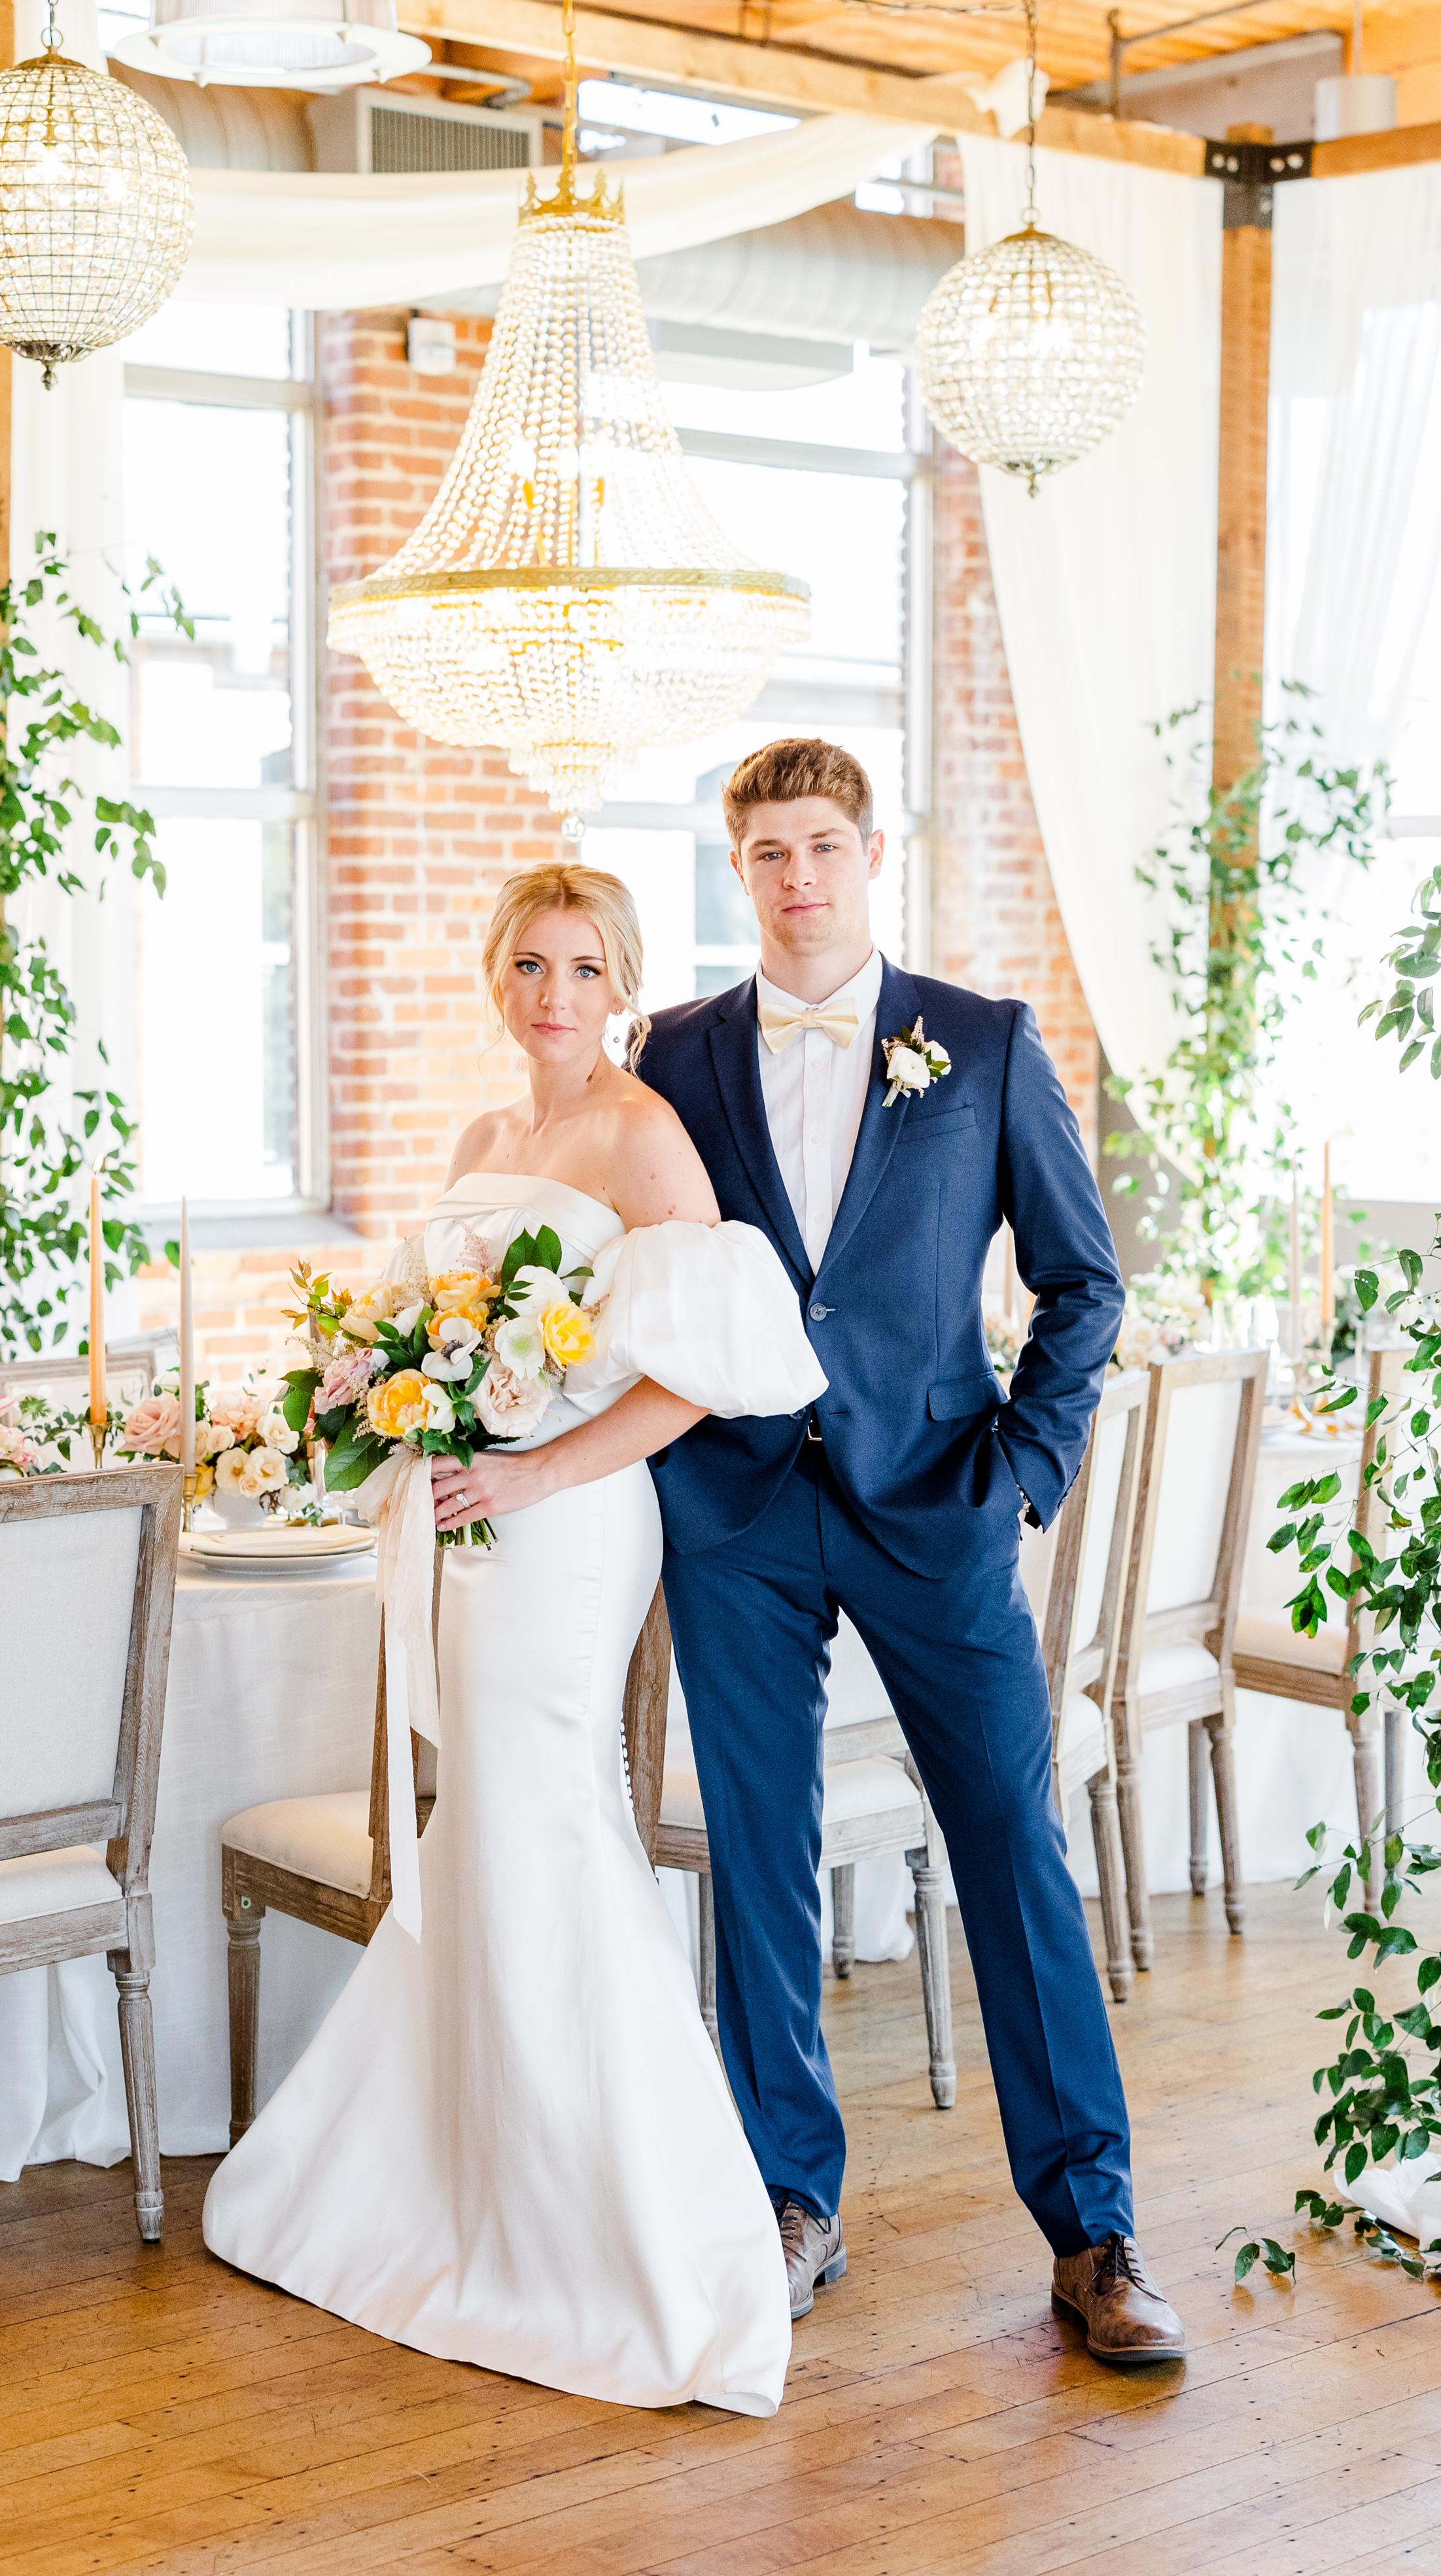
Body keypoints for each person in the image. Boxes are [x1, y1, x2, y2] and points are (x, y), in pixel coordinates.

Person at [202, 863, 827, 2415]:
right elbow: (434, 1335)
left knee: (551, 1812)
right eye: (529, 965)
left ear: (620, 984)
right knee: (480, 1817)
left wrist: (542, 1463)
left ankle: (626, 2229)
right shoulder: (485, 1141)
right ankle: (464, 2184)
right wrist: (385, 1411)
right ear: (497, 978)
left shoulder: (639, 1132)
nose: (554, 993)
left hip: (566, 1525)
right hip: (463, 1517)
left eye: (582, 967)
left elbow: (710, 1367)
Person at [636, 736, 1187, 2366]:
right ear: (736, 869)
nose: (796, 878)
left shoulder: (983, 1043)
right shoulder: (668, 1056)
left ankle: (1092, 2230)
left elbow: (1083, 1282)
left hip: (937, 1498)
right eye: (765, 855)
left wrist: (1022, 1470)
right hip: (735, 1513)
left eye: (821, 847)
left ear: (872, 853)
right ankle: (786, 2197)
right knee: (755, 1849)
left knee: (1012, 1844)